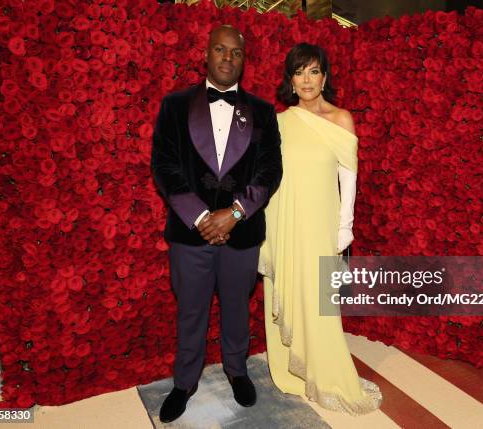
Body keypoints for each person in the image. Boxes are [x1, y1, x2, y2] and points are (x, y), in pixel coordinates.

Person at [151, 25, 282, 423]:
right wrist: (201, 216)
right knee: (190, 310)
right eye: (220, 50)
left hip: (242, 233)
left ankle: (236, 370)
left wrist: (237, 212)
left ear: (244, 59)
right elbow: (165, 167)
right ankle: (185, 382)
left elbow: (270, 170)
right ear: (205, 55)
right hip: (190, 234)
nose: (228, 58)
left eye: (236, 52)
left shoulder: (262, 111)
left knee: (236, 309)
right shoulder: (174, 105)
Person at [258, 43, 383, 414]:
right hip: (283, 222)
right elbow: (270, 177)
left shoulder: (341, 119)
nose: (307, 80)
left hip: (322, 224)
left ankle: (328, 374)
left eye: (314, 71)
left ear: (325, 77)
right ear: (290, 81)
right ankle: (294, 371)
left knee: (321, 303)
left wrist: (346, 226)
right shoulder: (279, 122)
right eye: (299, 72)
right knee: (289, 293)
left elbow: (350, 177)